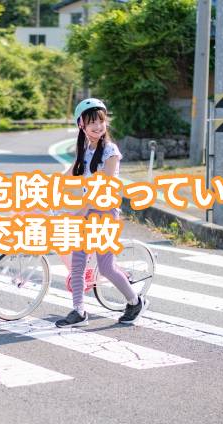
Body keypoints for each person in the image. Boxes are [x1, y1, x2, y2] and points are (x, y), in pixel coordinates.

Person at [55, 98, 150, 328]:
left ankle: (135, 302)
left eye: (100, 121)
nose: (98, 126)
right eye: (92, 123)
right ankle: (79, 312)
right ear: (82, 126)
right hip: (88, 212)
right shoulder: (85, 149)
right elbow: (69, 174)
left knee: (106, 267)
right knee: (78, 264)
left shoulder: (110, 151)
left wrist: (84, 209)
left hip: (105, 213)